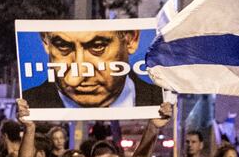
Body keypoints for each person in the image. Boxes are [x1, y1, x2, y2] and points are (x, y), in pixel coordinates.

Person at [25, 28, 161, 111]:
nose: (79, 75)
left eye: (97, 46)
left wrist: (153, 128)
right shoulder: (30, 104)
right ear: (45, 42)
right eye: (63, 47)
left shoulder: (158, 101)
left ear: (131, 40)